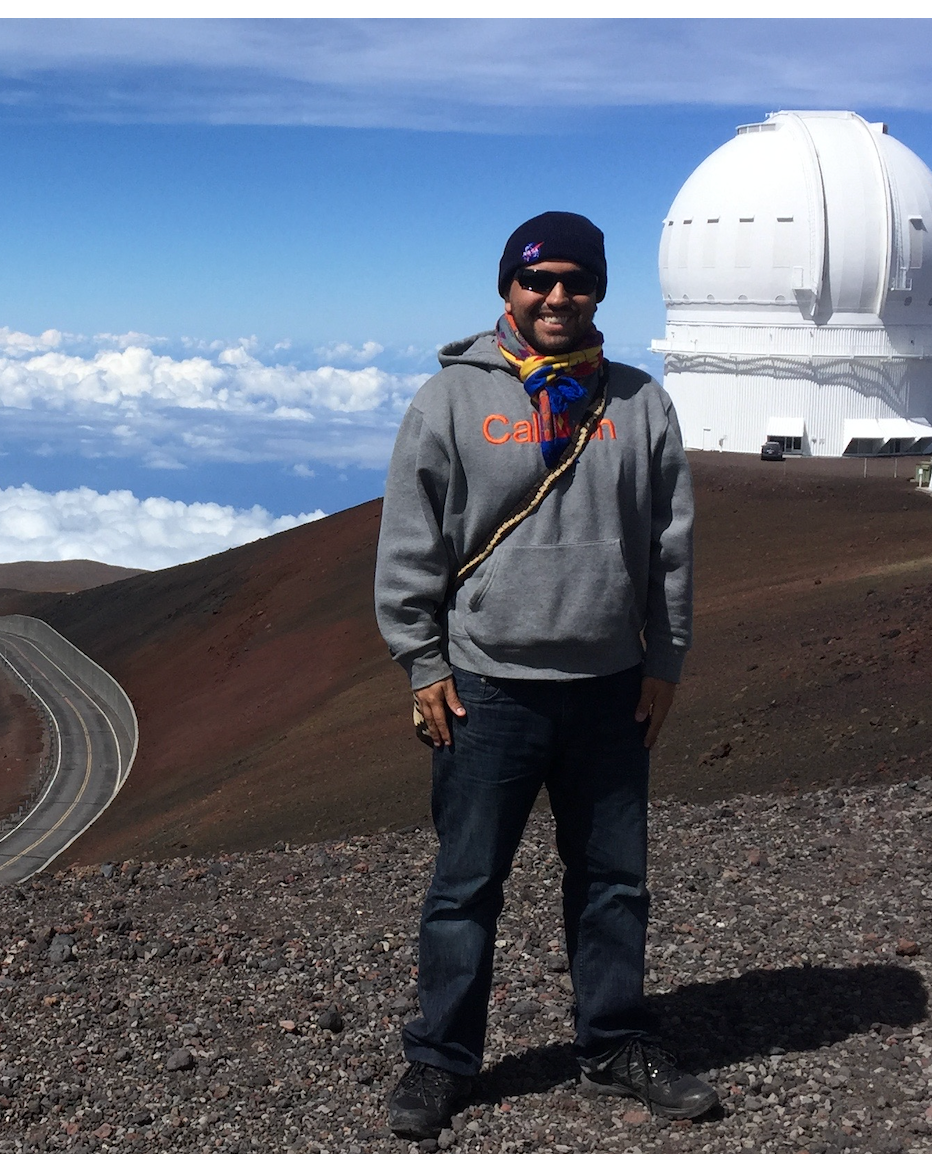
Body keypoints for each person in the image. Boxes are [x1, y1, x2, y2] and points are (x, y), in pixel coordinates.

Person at [371, 211, 712, 1140]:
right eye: (538, 281)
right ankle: (441, 1062)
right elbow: (411, 541)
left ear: (599, 288)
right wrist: (422, 662)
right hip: (487, 689)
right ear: (506, 290)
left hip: (610, 686)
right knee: (465, 886)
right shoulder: (449, 400)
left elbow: (668, 549)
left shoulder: (639, 403)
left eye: (577, 280)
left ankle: (612, 1044)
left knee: (612, 881)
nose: (558, 297)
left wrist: (665, 663)